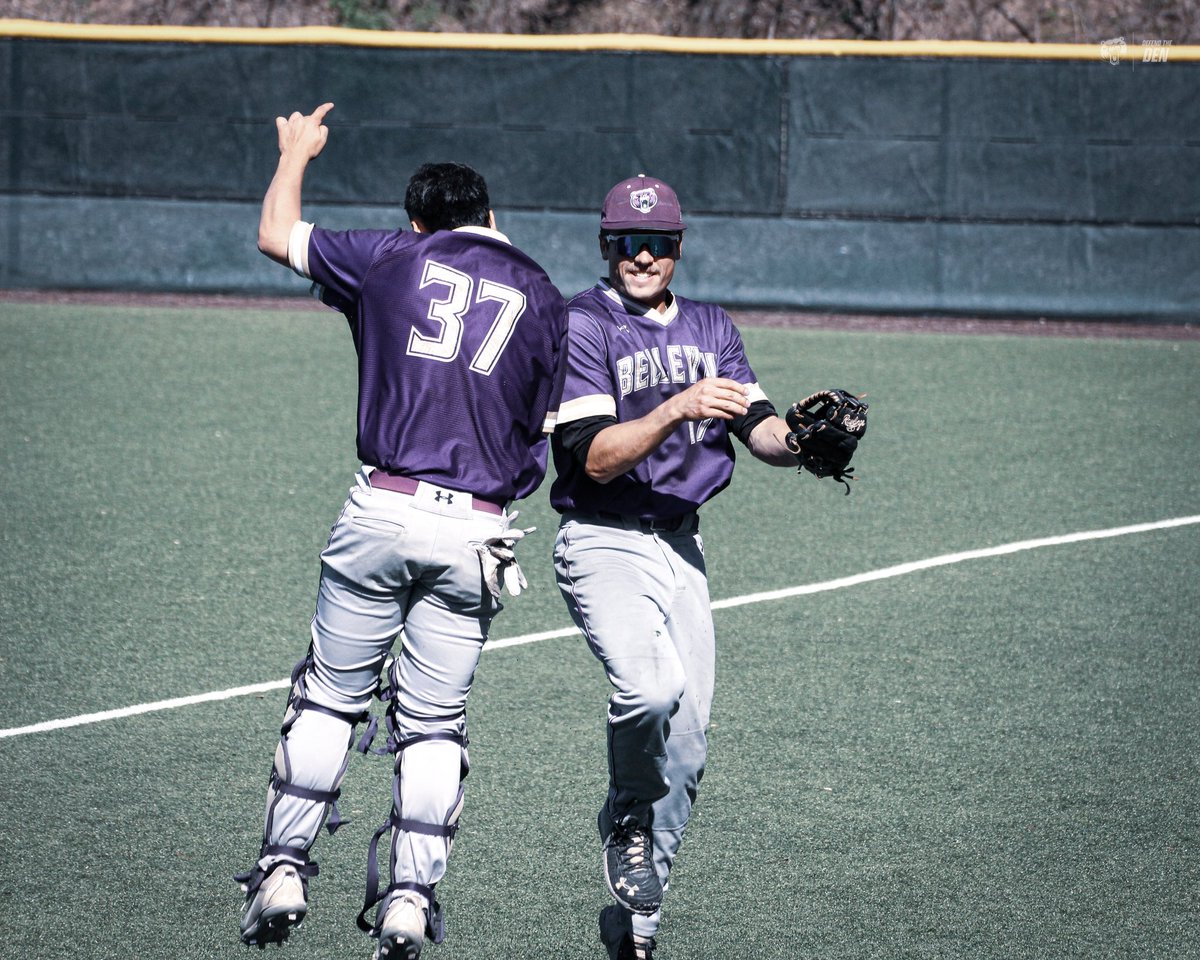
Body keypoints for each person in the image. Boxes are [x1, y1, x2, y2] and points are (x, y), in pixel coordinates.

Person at [236, 103, 568, 960]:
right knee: (433, 725)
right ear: (494, 219)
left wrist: (296, 154)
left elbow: (277, 234)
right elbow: (545, 427)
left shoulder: (391, 255)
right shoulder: (542, 292)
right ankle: (411, 902)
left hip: (383, 509)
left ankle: (282, 868)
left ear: (416, 221)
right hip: (479, 534)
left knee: (330, 698)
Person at [550, 175, 857, 960]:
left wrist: (803, 447)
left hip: (684, 547)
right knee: (650, 689)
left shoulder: (714, 327)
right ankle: (625, 820)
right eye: (628, 241)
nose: (643, 255)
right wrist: (674, 407)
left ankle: (637, 930)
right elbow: (594, 457)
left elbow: (757, 426)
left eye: (657, 242)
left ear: (679, 247)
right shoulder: (583, 325)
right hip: (604, 539)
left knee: (686, 749)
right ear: (605, 245)